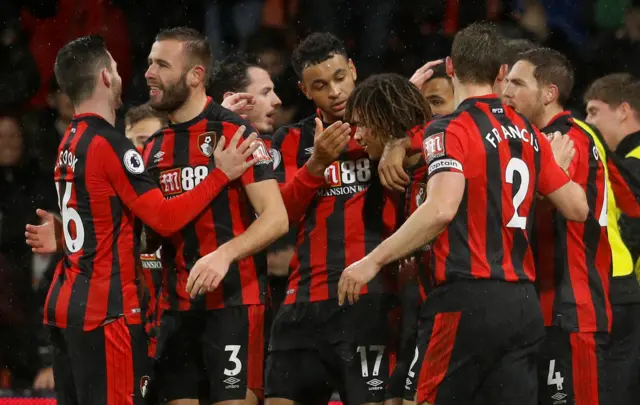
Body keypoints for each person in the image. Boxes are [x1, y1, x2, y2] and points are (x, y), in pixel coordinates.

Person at [337, 23, 590, 405]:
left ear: (451, 67)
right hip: (522, 303)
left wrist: (372, 261)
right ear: (501, 73)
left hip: (466, 297)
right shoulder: (528, 133)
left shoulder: (449, 128)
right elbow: (577, 207)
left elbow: (440, 209)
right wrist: (553, 165)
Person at [26, 34, 260, 405]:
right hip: (105, 310)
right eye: (117, 70)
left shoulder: (69, 140)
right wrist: (219, 174)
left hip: (65, 302)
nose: (129, 76)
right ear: (105, 77)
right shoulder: (112, 145)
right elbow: (165, 219)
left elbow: (94, 210)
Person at [143, 27, 289, 405]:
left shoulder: (235, 132)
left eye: (161, 64)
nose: (149, 73)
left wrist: (224, 254)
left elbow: (276, 219)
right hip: (178, 308)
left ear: (195, 75)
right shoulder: (155, 148)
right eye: (148, 64)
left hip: (235, 304)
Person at [265, 32, 411, 405]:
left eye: (340, 78)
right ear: (304, 90)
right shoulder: (292, 140)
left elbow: (434, 135)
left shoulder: (391, 134)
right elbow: (279, 216)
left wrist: (398, 143)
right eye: (320, 85)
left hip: (371, 302)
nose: (334, 91)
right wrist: (315, 165)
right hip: (303, 302)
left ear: (353, 70)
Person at [503, 47, 611, 405]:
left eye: (517, 84)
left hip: (572, 308)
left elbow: (561, 207)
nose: (506, 93)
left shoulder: (567, 139)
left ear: (549, 93)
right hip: (548, 308)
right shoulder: (542, 138)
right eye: (505, 82)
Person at [344, 72, 433, 405]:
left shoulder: (438, 160)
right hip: (414, 313)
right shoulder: (399, 173)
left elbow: (442, 130)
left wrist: (403, 140)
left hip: (448, 309)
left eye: (363, 125)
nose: (358, 135)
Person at [584, 73, 640, 405]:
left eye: (593, 111)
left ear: (623, 110)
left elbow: (632, 231)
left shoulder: (629, 166)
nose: (588, 122)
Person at [209, 52, 282, 135]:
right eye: (265, 93)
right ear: (235, 101)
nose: (278, 101)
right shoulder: (205, 143)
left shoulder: (279, 143)